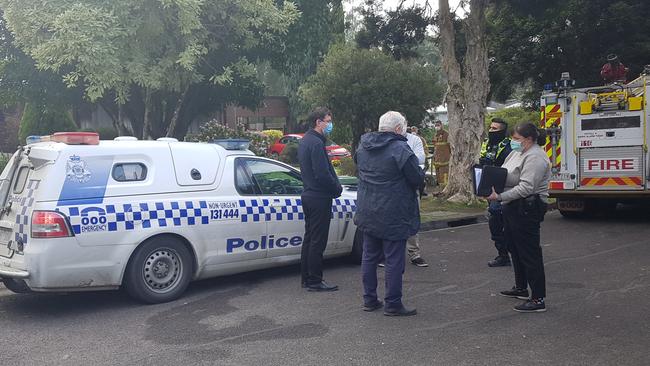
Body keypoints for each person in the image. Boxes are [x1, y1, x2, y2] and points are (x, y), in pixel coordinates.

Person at [355, 111, 424, 316]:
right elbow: (416, 177)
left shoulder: (363, 146)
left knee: (369, 257)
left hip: (368, 209)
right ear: (397, 129)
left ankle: (369, 299)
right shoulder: (400, 148)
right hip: (394, 211)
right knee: (394, 260)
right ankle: (393, 303)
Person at [486, 122, 551, 313]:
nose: (514, 142)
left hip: (527, 207)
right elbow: (504, 172)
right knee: (514, 248)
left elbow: (526, 187)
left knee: (529, 252)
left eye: (517, 139)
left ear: (529, 139)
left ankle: (538, 298)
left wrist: (500, 197)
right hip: (512, 206)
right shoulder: (518, 152)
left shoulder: (535, 157)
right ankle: (521, 287)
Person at [298, 107, 343, 292]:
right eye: (328, 121)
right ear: (318, 122)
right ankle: (315, 280)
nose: (330, 124)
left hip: (309, 194)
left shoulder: (305, 141)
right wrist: (336, 188)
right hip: (319, 197)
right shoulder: (316, 143)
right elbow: (322, 173)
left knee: (309, 239)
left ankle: (307, 278)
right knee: (318, 241)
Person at [480, 118, 512, 268]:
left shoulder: (509, 147)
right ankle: (503, 254)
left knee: (501, 218)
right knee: (495, 221)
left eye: (495, 129)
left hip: (504, 189)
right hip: (489, 188)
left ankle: (509, 252)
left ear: (502, 131)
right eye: (490, 128)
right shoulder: (487, 144)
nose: (491, 131)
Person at [404, 128, 429, 267]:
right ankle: (384, 254)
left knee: (413, 218)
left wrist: (403, 158)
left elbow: (420, 158)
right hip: (391, 187)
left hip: (411, 185)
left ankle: (414, 253)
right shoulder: (385, 140)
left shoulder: (414, 139)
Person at [410, 126, 430, 197]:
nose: (413, 131)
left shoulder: (421, 139)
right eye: (412, 130)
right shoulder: (408, 139)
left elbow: (426, 149)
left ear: (417, 130)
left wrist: (423, 156)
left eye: (414, 130)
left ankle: (423, 190)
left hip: (420, 161)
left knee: (422, 176)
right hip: (411, 161)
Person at [432, 120, 450, 186]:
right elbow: (435, 147)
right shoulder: (435, 135)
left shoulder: (446, 134)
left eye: (438, 125)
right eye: (436, 126)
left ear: (441, 125)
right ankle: (439, 188)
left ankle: (444, 189)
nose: (437, 127)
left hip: (445, 160)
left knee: (444, 176)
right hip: (437, 160)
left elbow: (450, 146)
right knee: (438, 176)